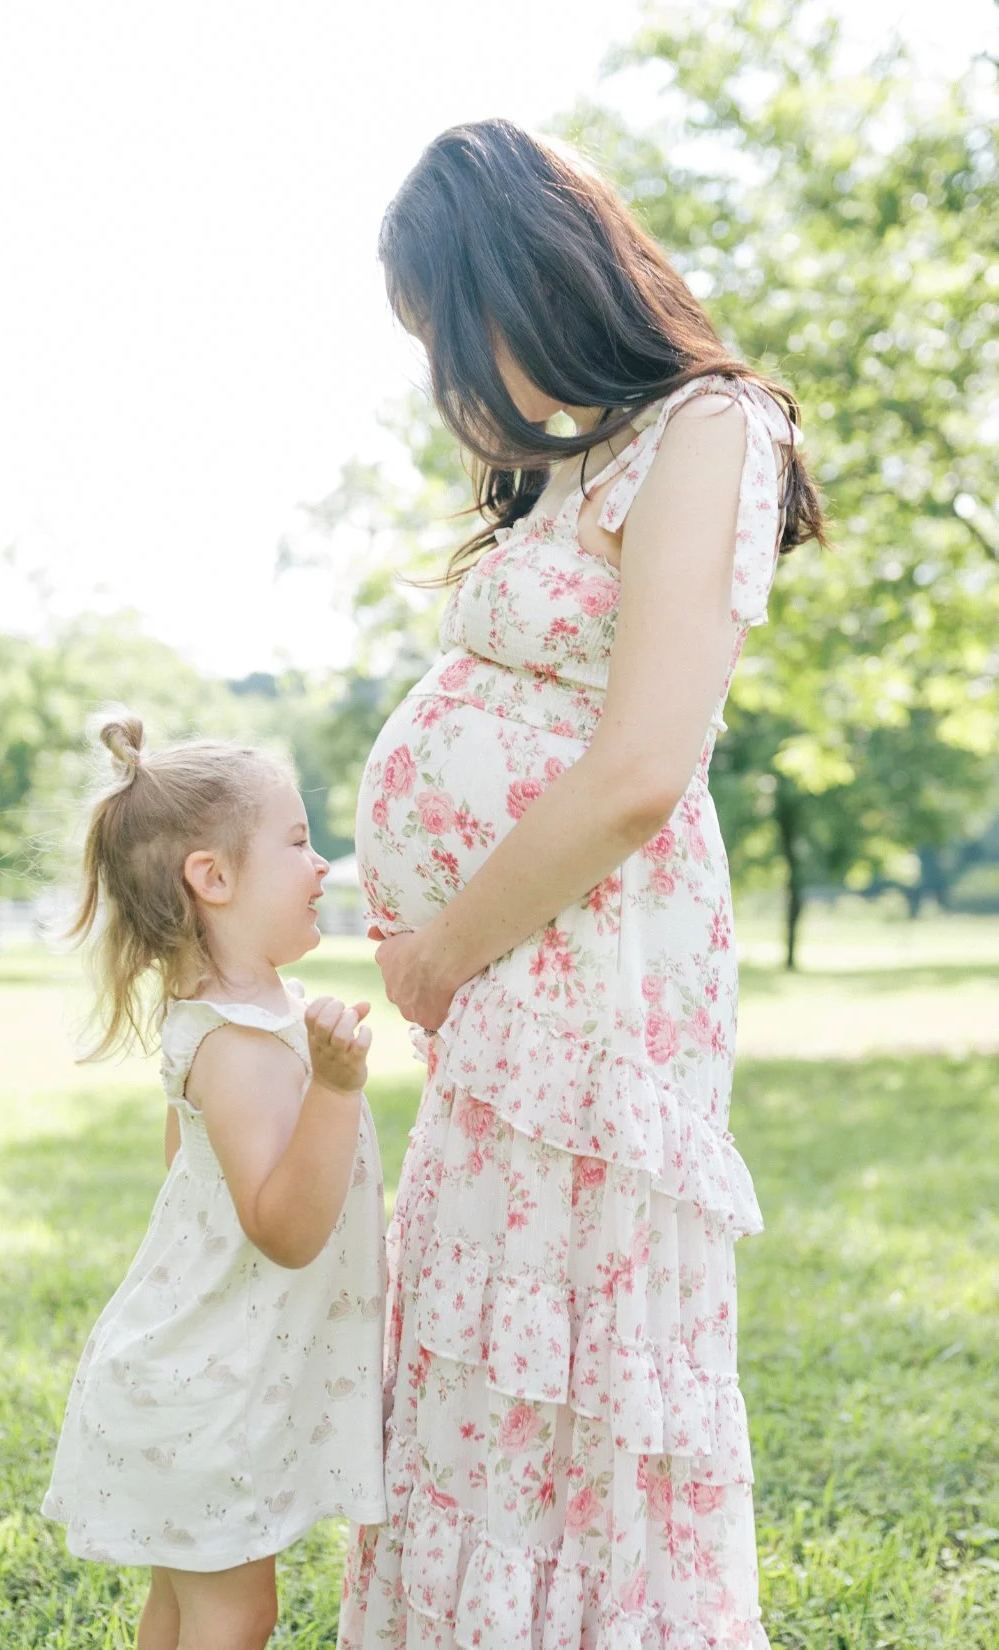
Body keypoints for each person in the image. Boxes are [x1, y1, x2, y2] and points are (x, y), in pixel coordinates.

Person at [338, 120, 826, 1650]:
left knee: (584, 1360)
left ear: (526, 274)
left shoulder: (710, 428)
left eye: (445, 331)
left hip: (592, 978)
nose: (448, 379)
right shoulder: (558, 464)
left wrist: (435, 956)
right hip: (507, 986)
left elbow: (635, 772)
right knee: (485, 1361)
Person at [41, 711, 387, 1650]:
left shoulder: (227, 1014)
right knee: (237, 1615)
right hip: (214, 1392)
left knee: (185, 1608)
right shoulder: (240, 1044)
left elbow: (181, 1177)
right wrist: (336, 1089)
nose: (321, 865)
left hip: (201, 1370)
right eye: (298, 841)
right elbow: (285, 1229)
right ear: (215, 877)